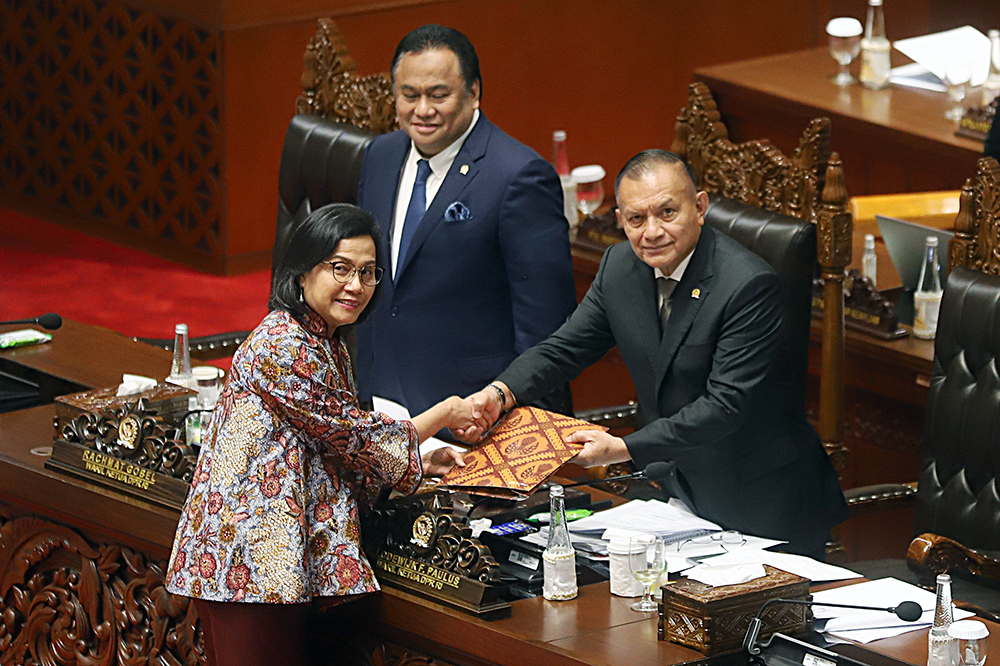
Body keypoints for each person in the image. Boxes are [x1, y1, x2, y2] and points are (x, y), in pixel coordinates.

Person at [465, 150, 849, 559]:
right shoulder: (620, 266)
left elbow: (724, 407)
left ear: (700, 207)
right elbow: (565, 349)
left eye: (667, 212)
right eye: (636, 219)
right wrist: (501, 393)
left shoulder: (748, 286)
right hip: (679, 493)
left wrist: (621, 448)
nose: (651, 232)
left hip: (764, 502)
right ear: (620, 220)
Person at [165, 204, 479, 666]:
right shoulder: (284, 344)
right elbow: (354, 435)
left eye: (369, 273)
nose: (356, 286)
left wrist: (418, 462)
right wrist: (446, 413)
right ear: (300, 272)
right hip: (246, 560)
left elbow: (332, 448)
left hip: (273, 562)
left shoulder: (324, 341)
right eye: (341, 269)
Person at [354, 24, 576, 421]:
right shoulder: (380, 155)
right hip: (380, 404)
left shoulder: (518, 176)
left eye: (438, 95)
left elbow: (546, 330)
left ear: (474, 92)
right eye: (409, 95)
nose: (422, 110)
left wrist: (527, 429)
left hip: (473, 417)